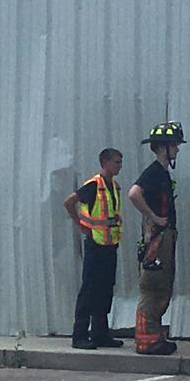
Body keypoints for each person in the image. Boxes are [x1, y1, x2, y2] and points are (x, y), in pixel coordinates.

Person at [128, 122, 184, 355]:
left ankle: (154, 335)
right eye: (174, 145)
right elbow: (134, 193)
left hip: (163, 237)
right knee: (153, 287)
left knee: (162, 287)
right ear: (163, 148)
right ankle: (146, 339)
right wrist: (153, 217)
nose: (177, 150)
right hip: (157, 239)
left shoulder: (161, 173)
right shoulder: (153, 172)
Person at [62, 148, 125, 349]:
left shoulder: (113, 186)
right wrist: (80, 225)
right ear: (104, 162)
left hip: (109, 245)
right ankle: (79, 335)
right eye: (116, 162)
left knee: (105, 289)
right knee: (89, 290)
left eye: (120, 162)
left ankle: (100, 333)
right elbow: (69, 202)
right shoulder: (93, 185)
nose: (119, 166)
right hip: (95, 246)